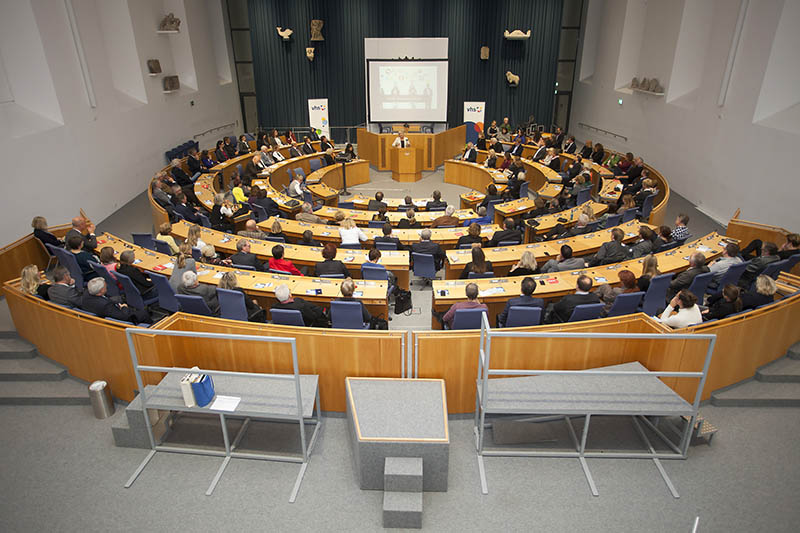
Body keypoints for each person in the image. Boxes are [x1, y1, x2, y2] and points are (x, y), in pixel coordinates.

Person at [82, 278, 151, 324]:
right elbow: (124, 316)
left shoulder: (86, 293)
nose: (107, 286)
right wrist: (124, 307)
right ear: (101, 291)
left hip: (102, 311)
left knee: (120, 299)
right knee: (143, 314)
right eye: (105, 286)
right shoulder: (105, 305)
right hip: (118, 318)